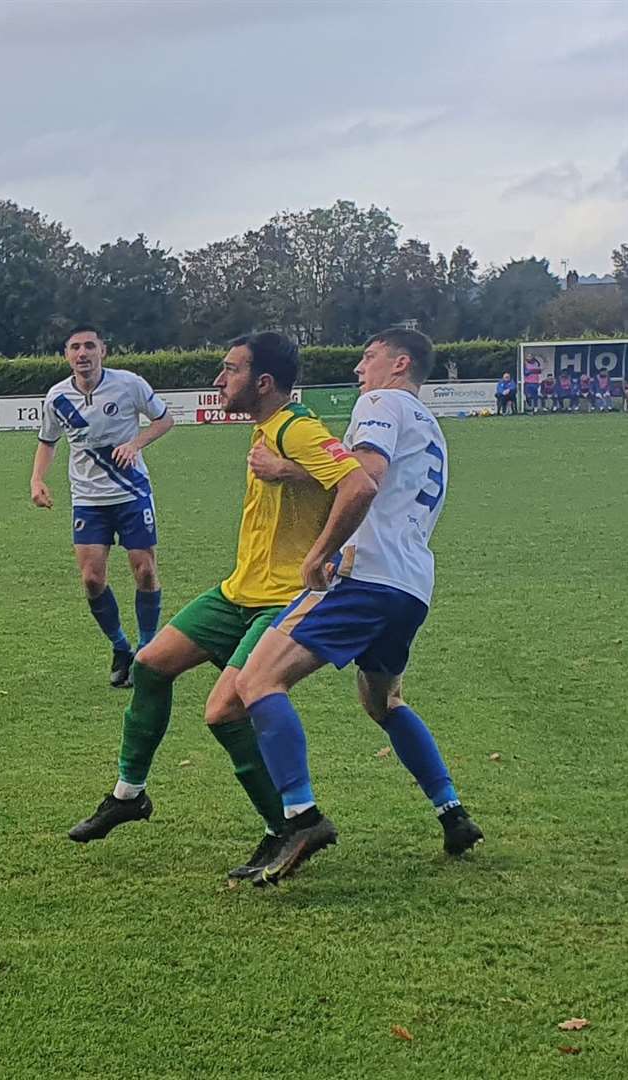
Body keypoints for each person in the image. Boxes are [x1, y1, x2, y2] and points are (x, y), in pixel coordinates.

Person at [66, 332, 370, 881]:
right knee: (149, 666)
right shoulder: (268, 427)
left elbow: (360, 485)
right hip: (237, 592)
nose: (218, 379)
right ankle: (129, 795)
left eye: (229, 370)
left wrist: (318, 551)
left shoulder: (297, 427)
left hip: (281, 601)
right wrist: (290, 476)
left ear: (263, 383)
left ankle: (291, 826)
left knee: (223, 711)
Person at [237, 328, 483, 885]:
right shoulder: (432, 427)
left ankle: (302, 817)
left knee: (257, 683)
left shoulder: (380, 402)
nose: (358, 370)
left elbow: (364, 479)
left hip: (364, 577)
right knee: (385, 703)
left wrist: (316, 544)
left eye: (367, 358)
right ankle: (453, 813)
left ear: (399, 364)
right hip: (412, 586)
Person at [31, 326, 174, 687]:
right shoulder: (57, 397)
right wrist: (37, 479)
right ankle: (121, 647)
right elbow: (47, 442)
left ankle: (146, 649)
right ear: (67, 355)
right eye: (75, 347)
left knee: (144, 572)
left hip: (132, 493)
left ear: (103, 351)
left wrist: (137, 444)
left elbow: (164, 419)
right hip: (88, 498)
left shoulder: (128, 384)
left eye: (89, 346)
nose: (83, 353)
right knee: (92, 579)